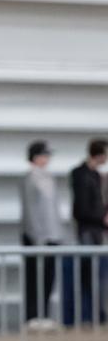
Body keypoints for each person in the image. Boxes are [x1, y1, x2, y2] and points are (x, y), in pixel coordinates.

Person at [20, 140, 62, 327]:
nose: (47, 159)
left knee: (48, 276)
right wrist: (36, 236)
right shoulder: (30, 178)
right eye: (44, 155)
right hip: (36, 236)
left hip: (52, 235)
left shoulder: (49, 178)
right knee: (34, 276)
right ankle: (32, 315)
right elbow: (30, 209)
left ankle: (44, 313)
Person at [69, 138, 108, 324]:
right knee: (88, 274)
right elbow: (82, 208)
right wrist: (101, 217)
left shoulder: (95, 176)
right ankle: (88, 315)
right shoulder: (81, 174)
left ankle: (97, 313)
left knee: (97, 274)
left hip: (97, 229)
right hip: (88, 229)